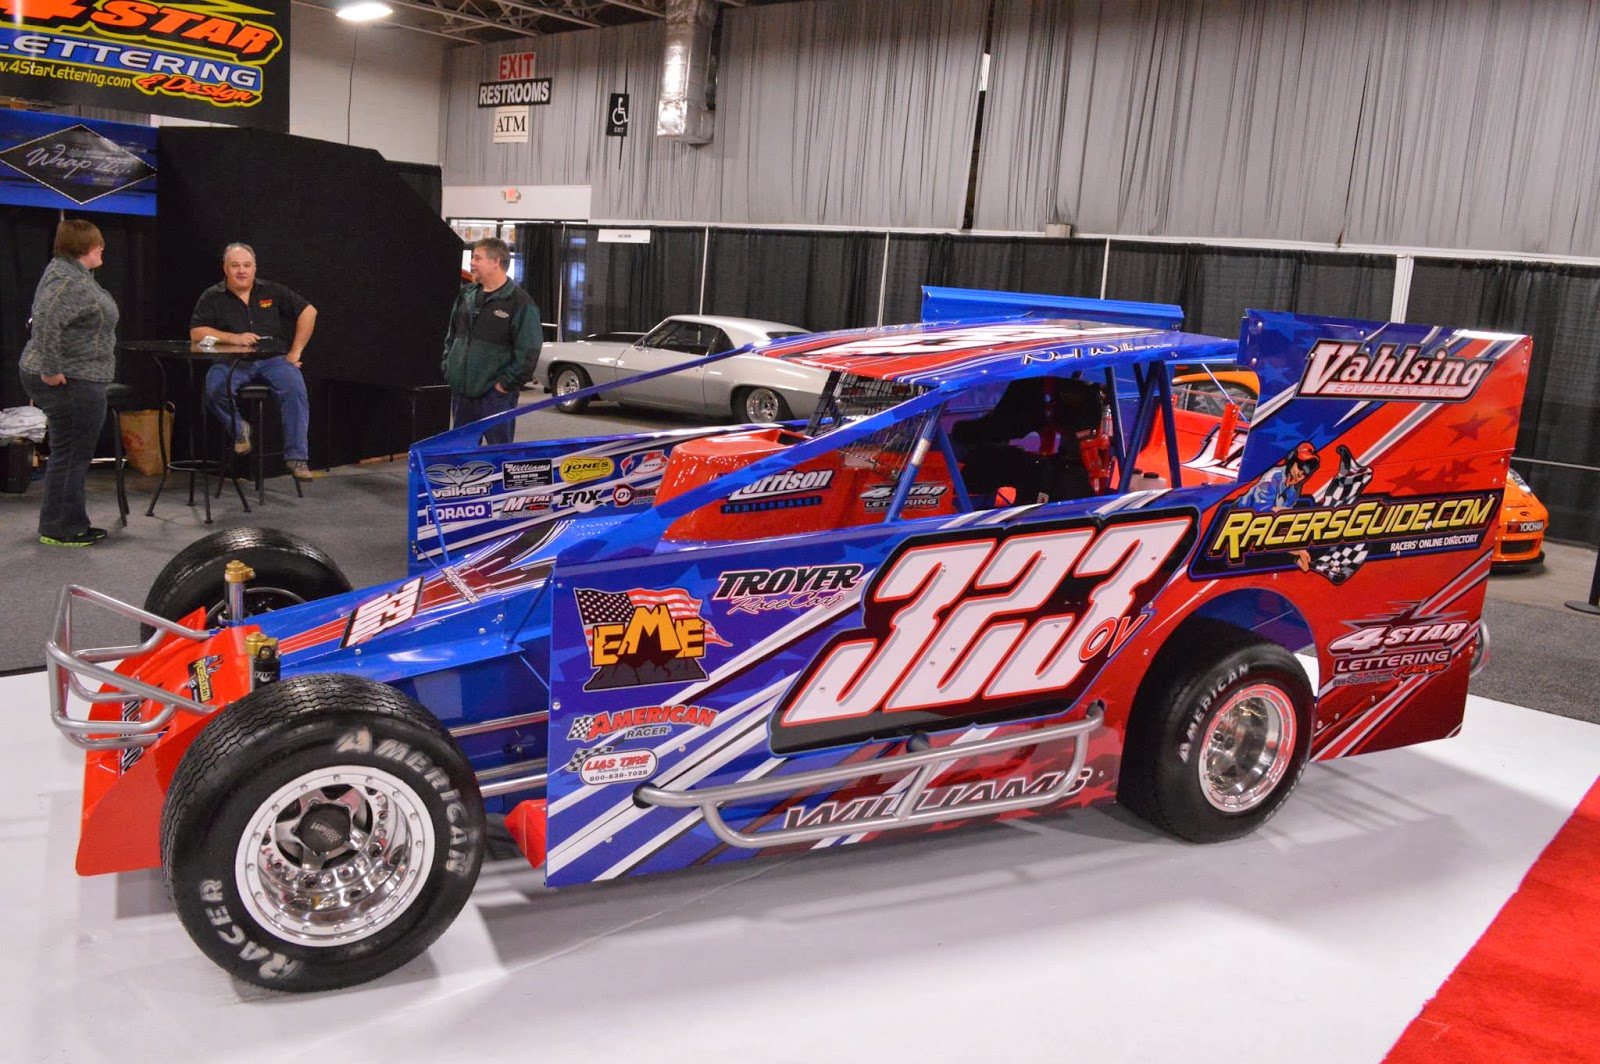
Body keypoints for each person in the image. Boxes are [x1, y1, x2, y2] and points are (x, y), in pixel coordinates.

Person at [19, 219, 118, 547]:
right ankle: (62, 527)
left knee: (70, 452)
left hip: (78, 375)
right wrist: (50, 369)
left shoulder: (72, 274)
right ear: (83, 246)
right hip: (72, 379)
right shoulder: (67, 281)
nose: (102, 248)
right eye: (98, 243)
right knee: (72, 453)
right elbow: (45, 321)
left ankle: (62, 522)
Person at [190, 242, 317, 480]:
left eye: (247, 265)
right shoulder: (212, 296)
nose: (242, 270)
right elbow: (196, 332)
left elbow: (309, 311)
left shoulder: (271, 290)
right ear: (225, 268)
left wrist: (296, 352)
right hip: (232, 360)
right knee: (213, 388)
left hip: (273, 359)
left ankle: (297, 457)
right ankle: (239, 429)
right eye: (235, 265)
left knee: (295, 389)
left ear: (254, 268)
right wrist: (234, 338)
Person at [442, 237, 541, 446]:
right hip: (462, 393)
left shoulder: (520, 302)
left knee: (498, 454)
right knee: (462, 454)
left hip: (496, 397)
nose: (472, 263)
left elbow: (529, 353)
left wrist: (504, 385)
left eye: (477, 258)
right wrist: (450, 367)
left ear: (496, 261)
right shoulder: (466, 295)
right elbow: (452, 336)